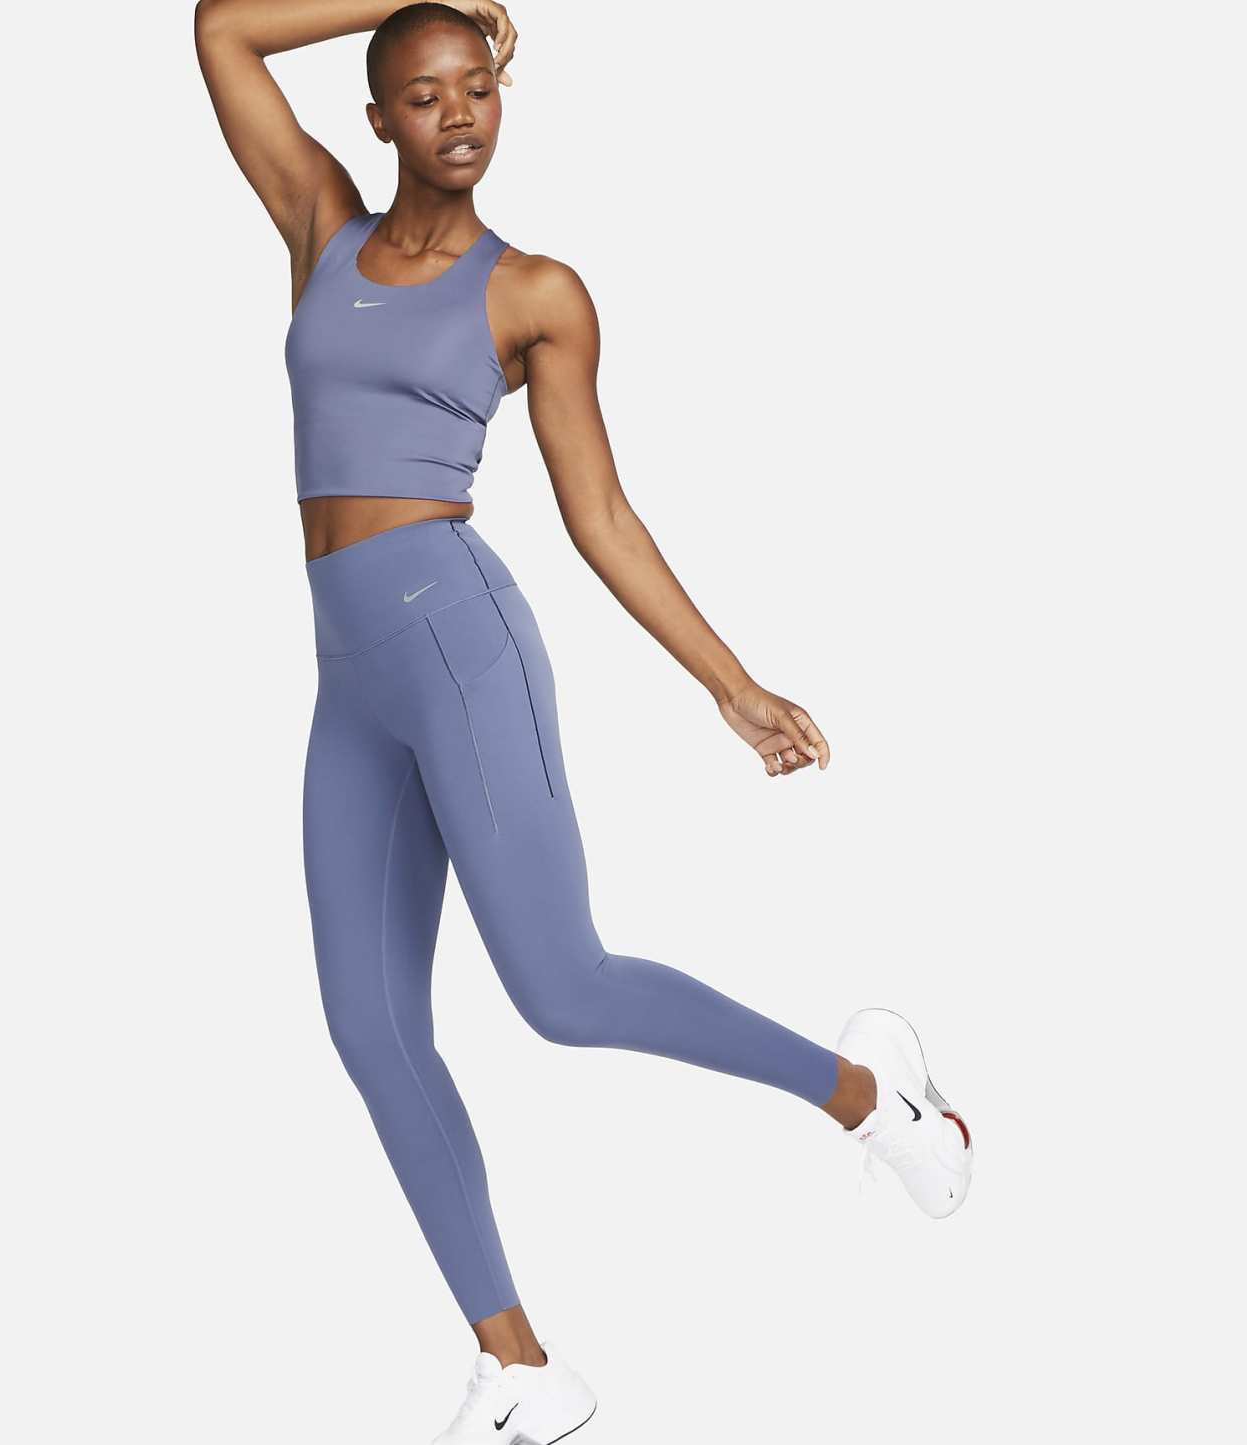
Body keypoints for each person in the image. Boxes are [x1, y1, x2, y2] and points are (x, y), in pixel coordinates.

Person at [194, 3, 974, 1439]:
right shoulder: (318, 227)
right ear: (378, 118)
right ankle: (522, 1366)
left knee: (562, 989)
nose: (457, 114)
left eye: (476, 88)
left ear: (503, 98)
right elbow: (222, 30)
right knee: (369, 1026)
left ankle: (874, 1100)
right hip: (347, 675)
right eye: (423, 94)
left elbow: (599, 513)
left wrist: (729, 682)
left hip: (457, 640)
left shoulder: (534, 293)